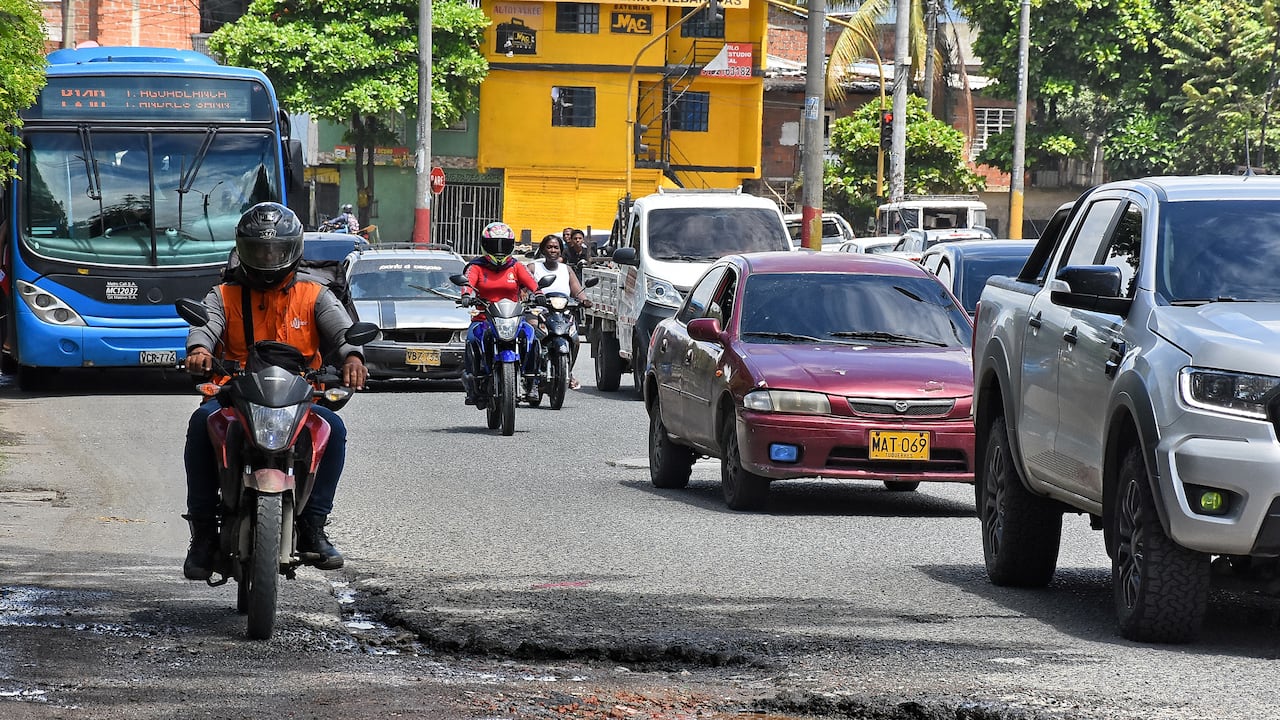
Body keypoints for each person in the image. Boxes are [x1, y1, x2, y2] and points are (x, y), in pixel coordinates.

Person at [181, 202, 368, 581]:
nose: (268, 259)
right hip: (234, 392)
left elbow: (343, 330)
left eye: (276, 251)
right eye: (259, 250)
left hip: (300, 397)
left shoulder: (315, 294)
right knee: (202, 422)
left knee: (334, 429)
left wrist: (353, 358)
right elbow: (206, 325)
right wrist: (199, 351)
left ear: (293, 250)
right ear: (243, 250)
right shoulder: (224, 294)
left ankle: (314, 526)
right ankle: (202, 534)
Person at [461, 221, 543, 406]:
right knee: (472, 339)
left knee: (531, 337)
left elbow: (532, 283)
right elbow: (468, 283)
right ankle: (473, 383)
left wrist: (538, 294)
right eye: (494, 245)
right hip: (483, 318)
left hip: (512, 318)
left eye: (503, 245)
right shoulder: (476, 266)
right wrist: (466, 295)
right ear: (484, 245)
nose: (498, 250)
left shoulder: (516, 266)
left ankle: (532, 382)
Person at [526, 234, 593, 390]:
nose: (552, 250)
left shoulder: (566, 270)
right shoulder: (533, 267)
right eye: (549, 247)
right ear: (543, 249)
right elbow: (522, 288)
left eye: (556, 247)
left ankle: (567, 371)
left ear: (561, 251)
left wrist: (584, 300)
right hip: (538, 311)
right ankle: (531, 376)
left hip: (561, 313)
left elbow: (577, 290)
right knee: (531, 333)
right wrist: (526, 297)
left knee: (574, 338)